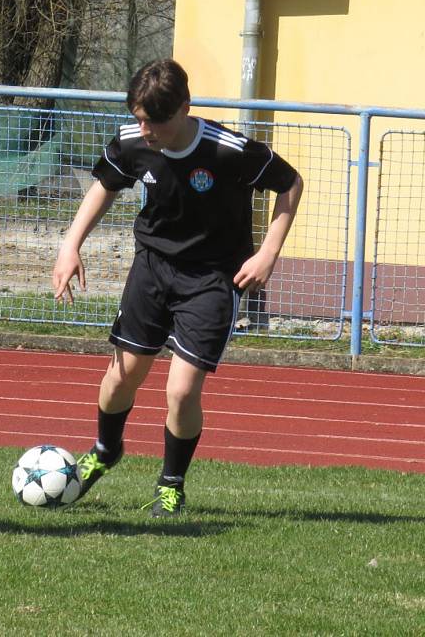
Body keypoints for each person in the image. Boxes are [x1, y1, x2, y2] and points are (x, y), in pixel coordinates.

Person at [52, 58, 303, 517]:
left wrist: (267, 252)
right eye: (139, 118)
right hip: (152, 268)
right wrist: (71, 246)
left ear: (185, 108)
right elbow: (104, 186)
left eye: (156, 122)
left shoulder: (229, 150)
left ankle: (171, 484)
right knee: (123, 376)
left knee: (182, 391)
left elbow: (289, 184)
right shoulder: (133, 141)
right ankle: (105, 450)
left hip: (212, 278)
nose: (146, 130)